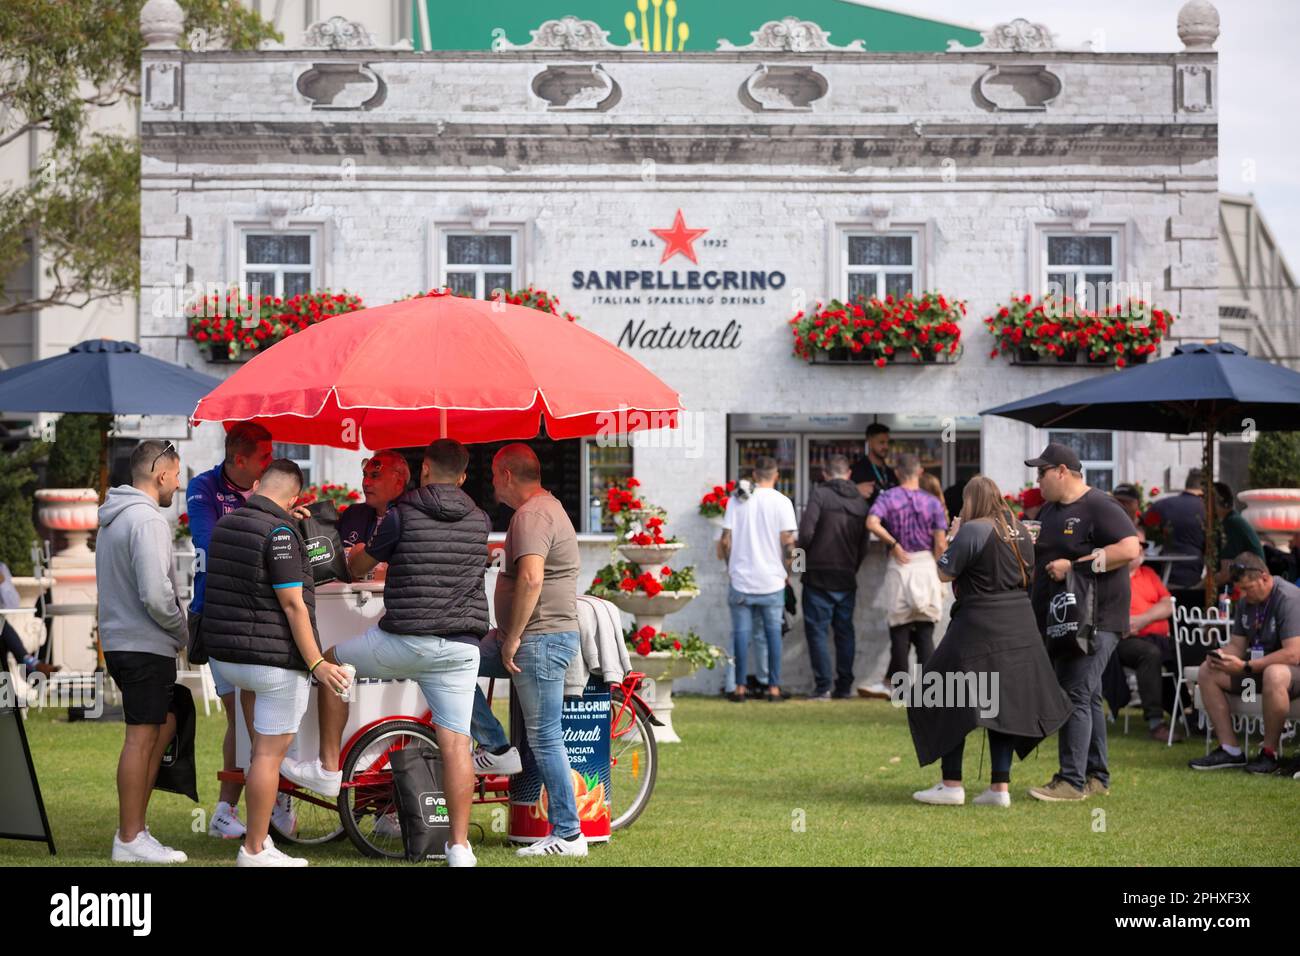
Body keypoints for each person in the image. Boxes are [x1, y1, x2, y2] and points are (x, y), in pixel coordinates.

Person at [319, 439, 490, 867]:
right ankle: (459, 847)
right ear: (463, 476)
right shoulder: (480, 520)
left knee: (332, 662)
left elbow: (357, 569)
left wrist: (357, 555)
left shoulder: (402, 514)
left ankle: (327, 768)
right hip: (461, 646)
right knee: (457, 744)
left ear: (424, 469)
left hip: (405, 639)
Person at [203, 460, 351, 867]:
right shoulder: (281, 533)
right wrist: (317, 663)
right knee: (268, 757)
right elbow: (293, 605)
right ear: (294, 498)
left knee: (259, 753)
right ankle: (255, 848)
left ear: (256, 485)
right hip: (271, 662)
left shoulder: (226, 524)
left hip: (228, 658)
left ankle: (259, 839)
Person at [909, 476, 1070, 806]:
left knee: (941, 691)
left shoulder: (973, 529)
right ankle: (1000, 789)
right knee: (1002, 702)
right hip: (1019, 623)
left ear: (972, 500)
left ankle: (951, 785)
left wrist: (954, 536)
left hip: (979, 623)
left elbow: (944, 572)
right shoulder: (1021, 529)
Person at [469, 444, 589, 858]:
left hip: (536, 639)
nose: (491, 484)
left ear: (506, 474)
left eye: (493, 475)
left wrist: (513, 637)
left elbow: (533, 578)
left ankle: (569, 835)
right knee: (450, 663)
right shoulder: (542, 509)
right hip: (531, 637)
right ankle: (497, 748)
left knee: (546, 737)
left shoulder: (533, 514)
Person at [1025, 443, 1141, 802]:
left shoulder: (1100, 505)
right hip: (1065, 618)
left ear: (1062, 471)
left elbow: (1129, 549)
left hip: (1099, 618)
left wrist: (1075, 566)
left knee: (1073, 692)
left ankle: (1071, 782)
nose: (1037, 480)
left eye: (1042, 472)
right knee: (1087, 695)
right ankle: (1096, 776)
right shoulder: (1048, 511)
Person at [96, 440, 190, 863]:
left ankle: (135, 831)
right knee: (141, 738)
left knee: (161, 726)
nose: (178, 483)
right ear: (160, 474)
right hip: (144, 645)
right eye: (177, 474)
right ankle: (130, 837)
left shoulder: (114, 516)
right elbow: (156, 594)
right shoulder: (147, 519)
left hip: (124, 643)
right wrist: (182, 630)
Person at [186, 421, 280, 840]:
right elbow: (208, 543)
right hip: (218, 614)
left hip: (266, 615)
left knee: (266, 717)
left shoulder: (271, 484)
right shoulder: (204, 487)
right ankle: (229, 809)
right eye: (264, 456)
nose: (271, 462)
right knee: (240, 717)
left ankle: (271, 800)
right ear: (239, 459)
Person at [1189, 552, 1300, 774]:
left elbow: (1293, 653)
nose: (1244, 595)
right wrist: (1221, 655)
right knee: (1208, 671)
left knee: (1274, 674)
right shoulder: (1245, 602)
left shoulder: (1288, 598)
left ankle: (1269, 753)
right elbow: (1237, 647)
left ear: (1264, 577)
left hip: (1290, 671)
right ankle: (1230, 750)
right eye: (1241, 590)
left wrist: (1247, 667)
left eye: (1248, 588)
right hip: (1257, 670)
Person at [862, 454, 949, 699]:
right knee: (925, 631)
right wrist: (940, 570)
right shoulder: (932, 502)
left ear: (898, 472)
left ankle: (899, 689)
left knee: (899, 630)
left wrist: (893, 544)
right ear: (920, 472)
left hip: (900, 564)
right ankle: (930, 690)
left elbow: (871, 523)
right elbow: (940, 543)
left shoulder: (888, 497)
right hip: (926, 564)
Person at [718, 456, 798, 702]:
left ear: (754, 475)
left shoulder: (736, 500)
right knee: (773, 636)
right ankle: (773, 688)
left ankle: (740, 689)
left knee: (741, 635)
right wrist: (789, 573)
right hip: (772, 581)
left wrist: (729, 567)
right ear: (776, 476)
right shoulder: (783, 502)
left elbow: (725, 540)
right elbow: (789, 543)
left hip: (741, 580)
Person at [797, 455, 869, 700]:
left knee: (817, 631)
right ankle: (844, 687)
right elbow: (863, 545)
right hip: (846, 576)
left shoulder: (820, 495)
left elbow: (805, 533)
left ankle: (823, 687)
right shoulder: (860, 502)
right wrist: (852, 567)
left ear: (825, 474)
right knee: (845, 632)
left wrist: (799, 564)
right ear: (848, 474)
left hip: (817, 574)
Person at [1117, 528, 1181, 743]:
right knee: (1149, 654)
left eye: (1143, 546)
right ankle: (1156, 722)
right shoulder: (1113, 578)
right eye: (1137, 545)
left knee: (1188, 652)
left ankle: (1190, 714)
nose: (1141, 550)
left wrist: (1144, 619)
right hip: (1125, 640)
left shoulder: (1149, 574)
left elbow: (1168, 605)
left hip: (1157, 637)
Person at [1150, 467, 1207, 602]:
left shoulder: (1162, 505)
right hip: (1192, 577)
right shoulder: (1206, 509)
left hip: (1163, 576)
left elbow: (1143, 527)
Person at [336, 449, 410, 549]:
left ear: (398, 482)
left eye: (375, 475)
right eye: (364, 475)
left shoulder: (413, 520)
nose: (365, 483)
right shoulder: (352, 514)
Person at [1211, 481, 1264, 588]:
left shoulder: (1231, 524)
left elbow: (1225, 574)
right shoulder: (1231, 520)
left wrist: (1202, 586)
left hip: (1248, 586)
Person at [850, 422, 898, 506]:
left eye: (888, 443)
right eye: (881, 442)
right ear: (869, 443)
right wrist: (855, 490)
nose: (886, 447)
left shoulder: (890, 473)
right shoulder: (856, 470)